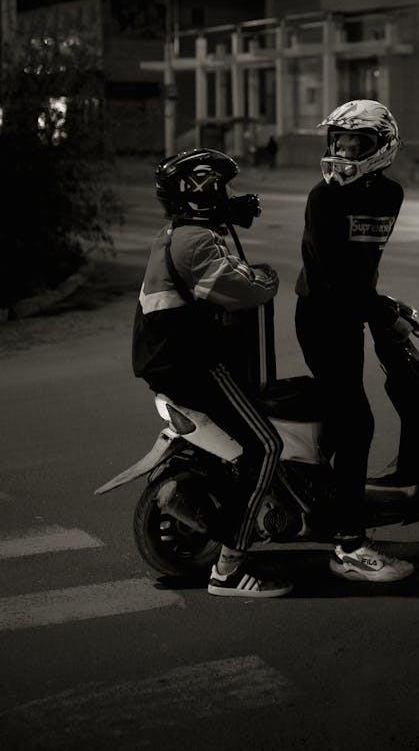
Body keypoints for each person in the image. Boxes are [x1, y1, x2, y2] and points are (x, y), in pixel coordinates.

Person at [132, 147, 293, 598]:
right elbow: (239, 289)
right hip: (194, 365)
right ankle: (230, 569)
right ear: (199, 194)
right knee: (266, 447)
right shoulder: (194, 241)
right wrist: (268, 277)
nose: (224, 195)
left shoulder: (175, 233)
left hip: (169, 363)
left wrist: (227, 217)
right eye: (217, 189)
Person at [294, 99, 415, 583]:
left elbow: (360, 266)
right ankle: (348, 543)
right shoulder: (323, 198)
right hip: (323, 317)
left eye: (354, 141)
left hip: (350, 315)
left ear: (380, 147)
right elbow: (333, 279)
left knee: (346, 420)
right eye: (338, 139)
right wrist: (381, 310)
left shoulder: (391, 195)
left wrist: (379, 304)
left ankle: (326, 503)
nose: (342, 148)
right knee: (357, 422)